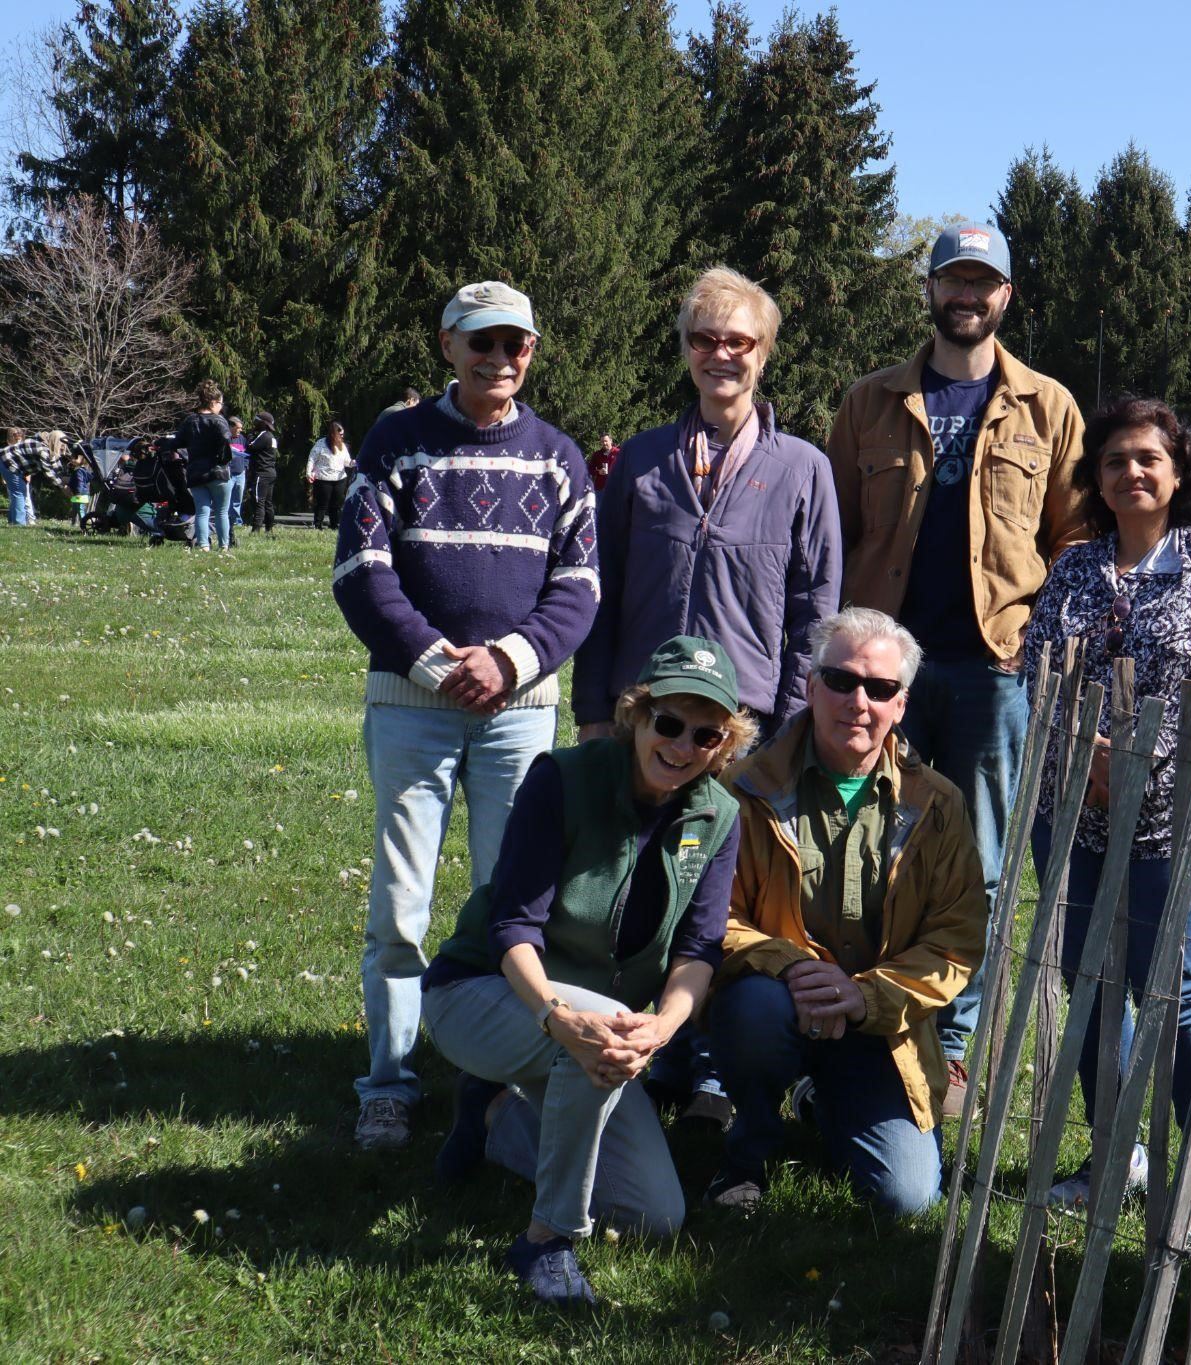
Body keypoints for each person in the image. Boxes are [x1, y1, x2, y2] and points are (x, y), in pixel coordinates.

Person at [825, 221, 1087, 1116]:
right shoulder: (869, 401)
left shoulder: (1048, 407)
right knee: (865, 847)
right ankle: (862, 1022)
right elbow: (836, 532)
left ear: (1006, 295)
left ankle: (955, 1044)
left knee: (975, 862)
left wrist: (1036, 640)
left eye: (983, 282)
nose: (966, 296)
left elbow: (1073, 540)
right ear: (930, 290)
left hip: (993, 672)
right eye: (953, 280)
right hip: (881, 672)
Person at [332, 279, 599, 1151]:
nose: (498, 359)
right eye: (481, 341)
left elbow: (579, 588)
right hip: (414, 707)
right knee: (399, 906)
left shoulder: (558, 457)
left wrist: (509, 661)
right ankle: (388, 1082)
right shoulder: (395, 441)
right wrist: (438, 663)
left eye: (514, 344)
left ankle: (497, 1083)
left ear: (532, 352)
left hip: (519, 714)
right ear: (447, 345)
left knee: (511, 905)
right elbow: (361, 570)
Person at [421, 635, 751, 1305]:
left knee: (655, 1215)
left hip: (599, 1030)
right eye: (669, 723)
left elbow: (698, 950)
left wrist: (663, 1027)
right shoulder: (563, 777)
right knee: (599, 1029)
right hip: (483, 993)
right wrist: (556, 1016)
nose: (682, 746)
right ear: (637, 713)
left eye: (706, 734)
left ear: (724, 745)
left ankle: (491, 1116)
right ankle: (548, 1240)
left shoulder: (719, 817)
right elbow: (512, 927)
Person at [1016, 395, 1191, 1206]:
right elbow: (1036, 667)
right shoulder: (1075, 567)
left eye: (1148, 458)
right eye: (1114, 460)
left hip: (1172, 822)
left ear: (1179, 472)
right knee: (1091, 987)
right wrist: (1090, 753)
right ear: (1097, 479)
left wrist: (1142, 760)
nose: (1131, 472)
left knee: (1174, 997)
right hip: (1072, 811)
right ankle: (1114, 1155)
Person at [706, 607, 988, 1217]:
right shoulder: (744, 789)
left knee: (906, 1199)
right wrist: (791, 969)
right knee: (754, 1011)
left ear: (901, 705)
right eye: (841, 681)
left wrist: (864, 996)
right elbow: (712, 918)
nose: (858, 702)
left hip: (880, 1027)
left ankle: (824, 1100)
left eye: (880, 689)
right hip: (776, 1000)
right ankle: (748, 1149)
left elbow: (956, 940)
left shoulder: (939, 806)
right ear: (811, 687)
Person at [573, 267, 840, 744]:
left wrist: (791, 728)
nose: (721, 354)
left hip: (742, 721)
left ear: (763, 353)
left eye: (739, 342)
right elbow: (602, 589)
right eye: (705, 340)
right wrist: (594, 710)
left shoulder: (803, 470)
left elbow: (815, 614)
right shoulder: (640, 459)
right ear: (687, 349)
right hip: (640, 708)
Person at [176, 381, 236, 551]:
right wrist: (224, 458)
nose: (221, 407)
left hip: (196, 472)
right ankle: (223, 546)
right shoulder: (219, 421)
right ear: (213, 402)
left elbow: (178, 441)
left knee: (202, 512)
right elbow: (225, 439)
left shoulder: (190, 420)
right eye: (221, 403)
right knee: (222, 512)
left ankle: (203, 545)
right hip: (218, 472)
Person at [307, 420, 352, 530]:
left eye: (343, 434)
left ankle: (334, 526)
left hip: (340, 479)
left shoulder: (342, 446)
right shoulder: (321, 444)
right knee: (322, 504)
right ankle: (317, 526)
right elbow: (312, 458)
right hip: (323, 479)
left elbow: (347, 461)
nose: (342, 436)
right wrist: (308, 472)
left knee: (336, 505)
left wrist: (352, 463)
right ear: (333, 434)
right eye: (340, 434)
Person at [244, 411, 280, 534]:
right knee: (268, 503)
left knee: (259, 502)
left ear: (263, 423)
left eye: (257, 421)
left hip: (262, 473)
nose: (254, 423)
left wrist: (250, 434)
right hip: (270, 472)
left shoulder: (264, 435)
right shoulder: (271, 437)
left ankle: (256, 530)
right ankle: (269, 529)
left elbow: (250, 446)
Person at [226, 416, 250, 528]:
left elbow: (246, 455)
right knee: (226, 499)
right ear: (231, 427)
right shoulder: (226, 439)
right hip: (228, 474)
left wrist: (245, 467)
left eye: (241, 428)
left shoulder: (242, 439)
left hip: (240, 474)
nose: (240, 430)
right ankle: (226, 521)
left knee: (237, 499)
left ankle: (236, 521)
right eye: (238, 428)